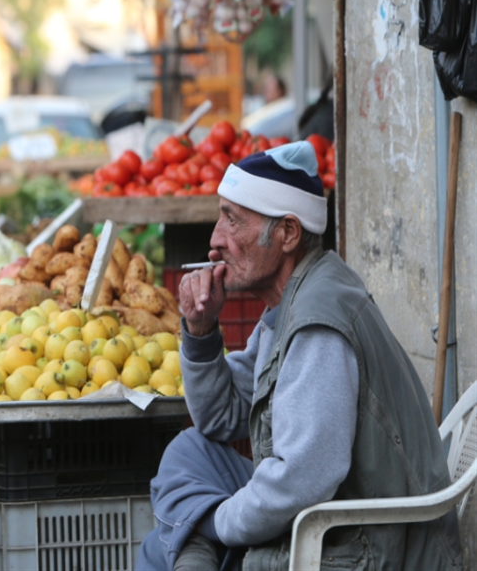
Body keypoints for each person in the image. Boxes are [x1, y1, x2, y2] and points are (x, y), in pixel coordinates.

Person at [136, 141, 462, 571]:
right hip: (326, 516)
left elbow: (301, 480)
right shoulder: (290, 303)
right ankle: (195, 551)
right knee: (190, 452)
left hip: (360, 544)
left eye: (232, 220)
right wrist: (200, 334)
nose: (215, 240)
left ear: (288, 233)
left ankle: (194, 550)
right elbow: (219, 419)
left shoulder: (317, 322)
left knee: (162, 548)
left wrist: (215, 522)